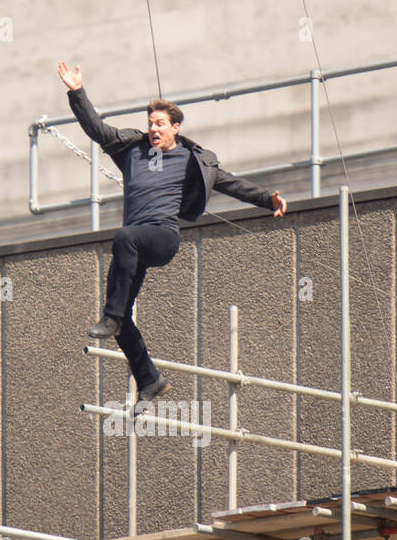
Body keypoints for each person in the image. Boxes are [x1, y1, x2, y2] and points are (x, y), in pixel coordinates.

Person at [56, 61, 286, 405]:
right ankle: (150, 379)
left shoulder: (193, 161)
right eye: (150, 123)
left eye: (160, 123)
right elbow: (97, 129)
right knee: (123, 320)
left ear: (175, 128)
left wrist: (268, 200)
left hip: (162, 237)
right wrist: (77, 92)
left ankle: (111, 316)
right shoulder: (132, 152)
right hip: (135, 244)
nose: (153, 128)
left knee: (123, 242)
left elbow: (231, 184)